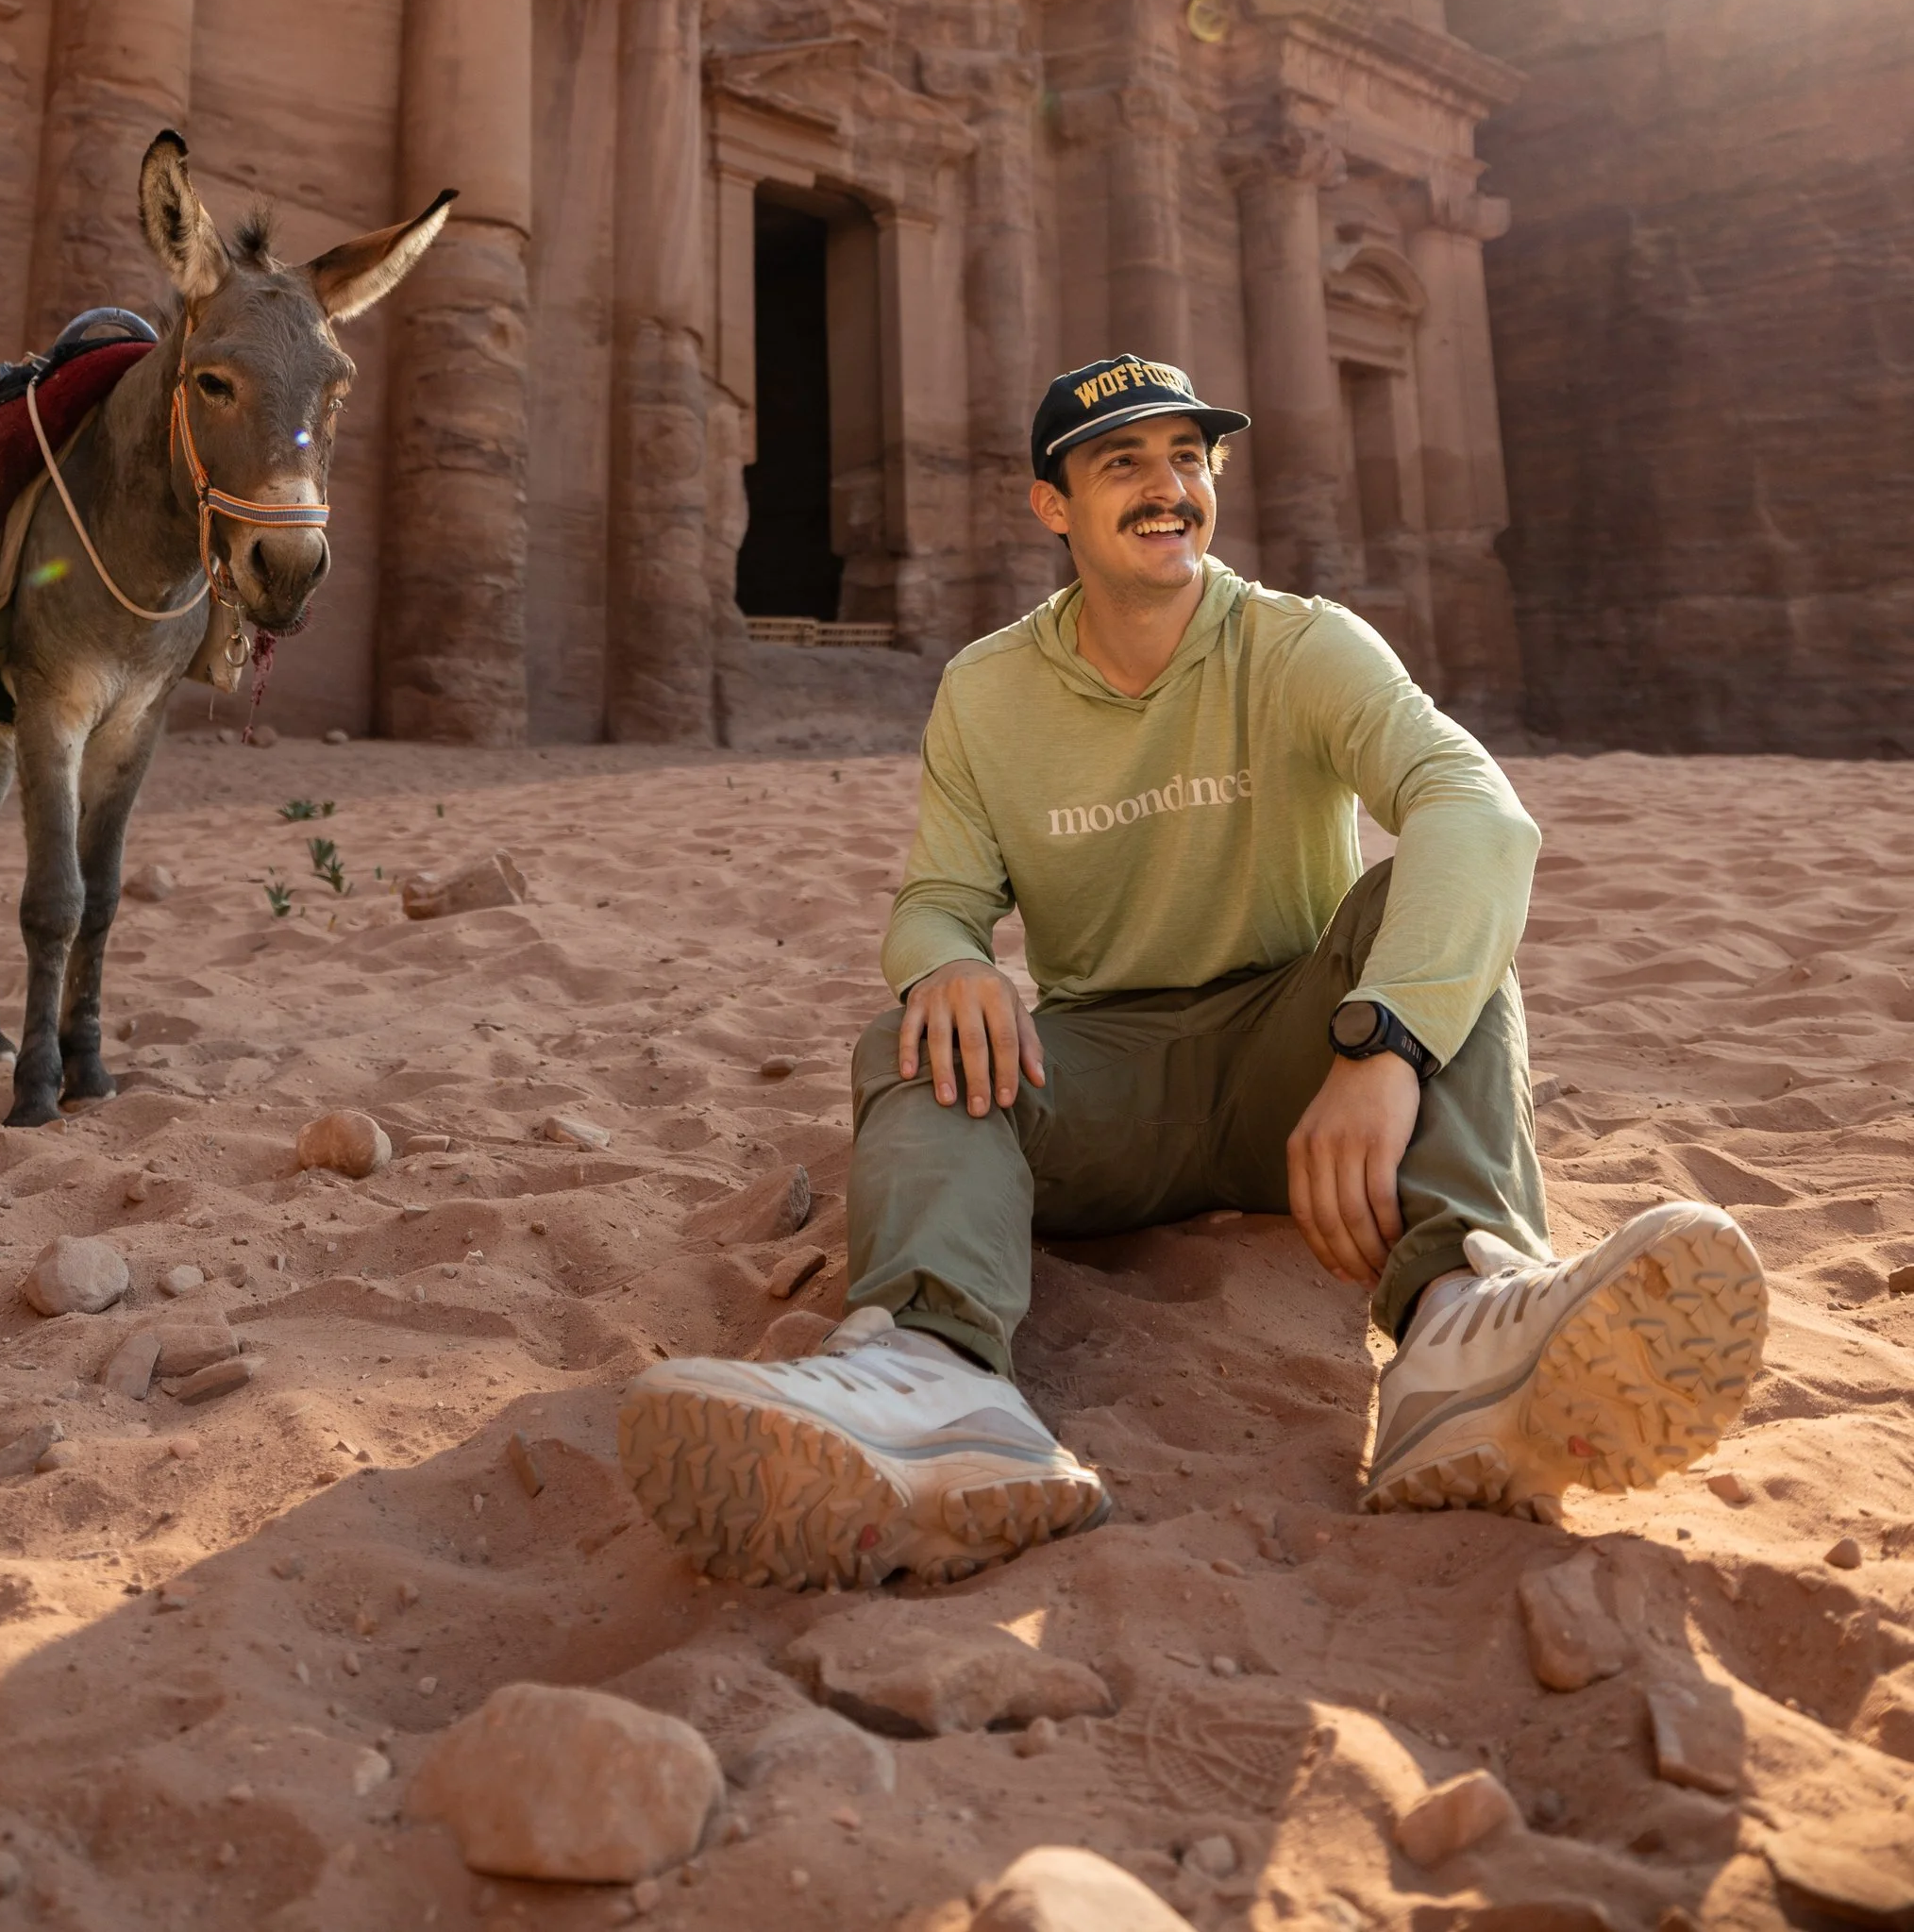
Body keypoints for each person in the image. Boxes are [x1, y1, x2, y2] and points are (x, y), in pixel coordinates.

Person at [618, 348, 1767, 1591]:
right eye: (1124, 463)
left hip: (1306, 1073)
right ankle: (936, 1380)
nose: (1169, 486)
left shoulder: (1302, 643)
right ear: (1052, 504)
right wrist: (950, 964)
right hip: (1102, 1083)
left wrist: (1382, 1050)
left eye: (1189, 457)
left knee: (1430, 907)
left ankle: (1460, 1333)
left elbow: (1476, 811)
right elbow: (942, 901)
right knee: (912, 1038)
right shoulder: (986, 691)